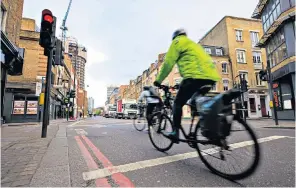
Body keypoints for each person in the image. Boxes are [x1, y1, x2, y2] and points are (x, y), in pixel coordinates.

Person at [154, 28, 221, 143]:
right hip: (210, 78)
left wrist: (158, 81)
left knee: (177, 103)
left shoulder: (177, 42)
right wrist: (180, 85)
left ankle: (175, 132)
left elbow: (168, 63)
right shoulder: (194, 45)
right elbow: (196, 64)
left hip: (193, 77)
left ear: (175, 36)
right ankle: (194, 132)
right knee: (195, 101)